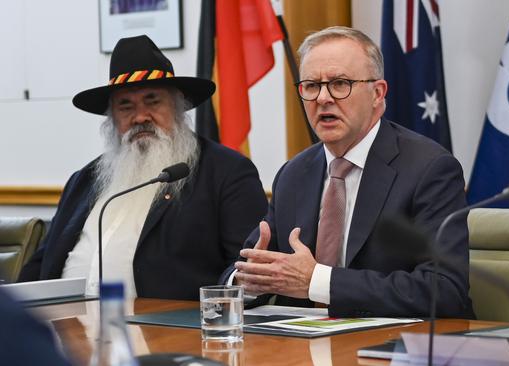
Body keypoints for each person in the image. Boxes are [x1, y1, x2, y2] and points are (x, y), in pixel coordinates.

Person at [222, 26, 474, 318]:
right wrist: (248, 281)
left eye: (340, 83)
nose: (323, 98)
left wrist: (316, 281)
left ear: (377, 93)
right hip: (307, 349)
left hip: (398, 348)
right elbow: (244, 268)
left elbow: (444, 290)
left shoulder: (429, 169)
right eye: (311, 86)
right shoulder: (293, 174)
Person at [19, 35, 268, 300]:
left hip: (166, 333)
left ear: (178, 106)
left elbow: (246, 270)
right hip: (62, 330)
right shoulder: (84, 180)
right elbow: (42, 264)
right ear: (112, 119)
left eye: (153, 101)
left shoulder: (225, 172)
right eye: (125, 106)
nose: (140, 117)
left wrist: (246, 282)